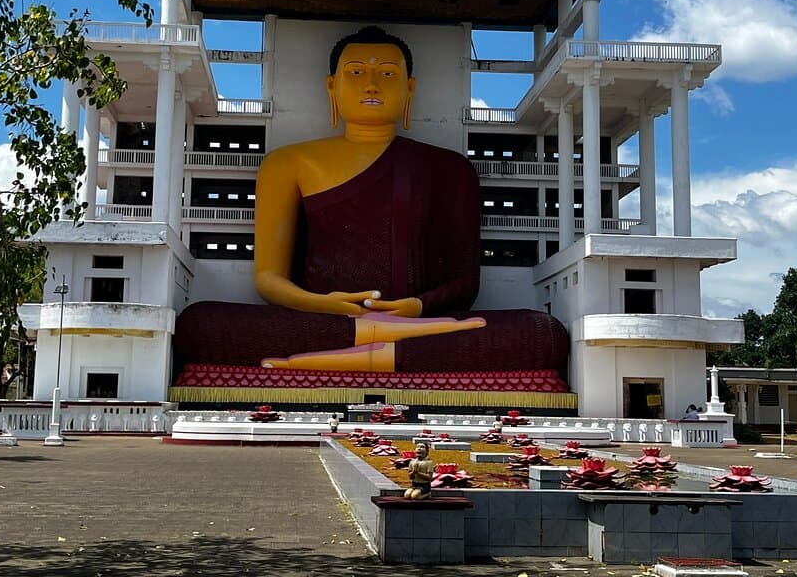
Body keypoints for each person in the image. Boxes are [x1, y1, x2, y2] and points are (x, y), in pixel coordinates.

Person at [174, 26, 568, 375]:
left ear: (409, 88)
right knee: (198, 324)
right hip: (326, 321)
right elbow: (268, 279)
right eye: (357, 72)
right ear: (332, 86)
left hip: (418, 322)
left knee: (541, 334)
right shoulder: (288, 163)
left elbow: (465, 284)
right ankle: (386, 348)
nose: (372, 85)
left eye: (388, 74)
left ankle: (356, 350)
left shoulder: (451, 169)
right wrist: (327, 305)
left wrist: (415, 307)